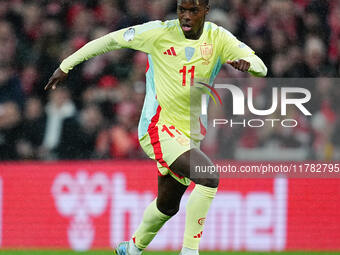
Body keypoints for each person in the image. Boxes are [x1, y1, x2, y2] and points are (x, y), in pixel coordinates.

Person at [45, 0, 267, 254]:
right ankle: (190, 251)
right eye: (181, 9)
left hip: (190, 134)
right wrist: (66, 65)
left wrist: (248, 66)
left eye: (193, 11)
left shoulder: (218, 38)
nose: (185, 16)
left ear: (205, 11)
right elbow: (110, 40)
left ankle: (131, 248)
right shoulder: (158, 32)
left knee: (168, 205)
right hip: (158, 128)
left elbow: (261, 66)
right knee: (208, 176)